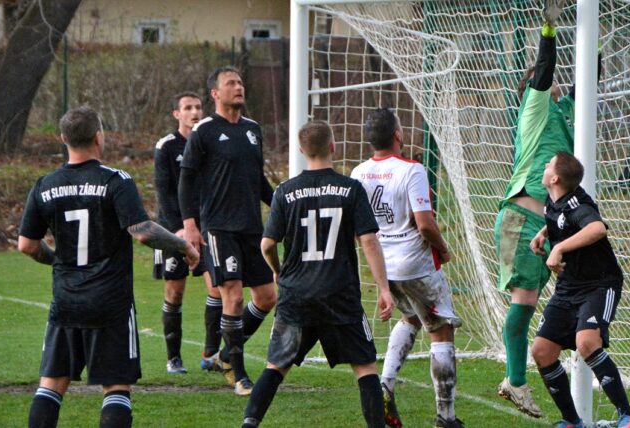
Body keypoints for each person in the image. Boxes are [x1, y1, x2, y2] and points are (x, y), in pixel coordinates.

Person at [18, 106, 200, 428]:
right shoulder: (115, 181)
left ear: (63, 139)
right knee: (116, 388)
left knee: (51, 385)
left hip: (66, 300)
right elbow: (142, 232)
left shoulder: (44, 185)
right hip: (110, 303)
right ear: (99, 137)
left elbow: (27, 246)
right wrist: (183, 245)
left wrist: (58, 260)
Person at [243, 121, 395, 428]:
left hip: (297, 293)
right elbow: (368, 240)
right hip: (340, 294)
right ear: (333, 146)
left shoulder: (284, 192)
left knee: (276, 366)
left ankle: (249, 423)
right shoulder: (351, 189)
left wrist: (277, 271)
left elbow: (267, 244)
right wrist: (384, 288)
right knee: (365, 368)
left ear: (301, 150)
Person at [350, 108, 463, 428]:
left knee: (412, 317)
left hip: (385, 267)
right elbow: (425, 224)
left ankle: (385, 384)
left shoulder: (358, 173)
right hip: (416, 265)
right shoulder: (411, 170)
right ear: (398, 135)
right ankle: (446, 415)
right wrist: (444, 247)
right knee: (442, 331)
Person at [494, 0, 575, 417]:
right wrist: (548, 30)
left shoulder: (565, 114)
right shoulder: (534, 106)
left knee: (544, 300)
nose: (553, 85)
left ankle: (531, 372)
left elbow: (588, 85)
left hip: (549, 223)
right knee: (524, 301)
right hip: (521, 220)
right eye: (544, 83)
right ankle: (516, 379)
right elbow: (544, 71)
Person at [179, 66, 277, 395]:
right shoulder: (204, 131)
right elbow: (187, 179)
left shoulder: (252, 130)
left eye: (240, 81)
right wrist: (191, 225)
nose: (239, 87)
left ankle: (224, 355)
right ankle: (238, 372)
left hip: (252, 227)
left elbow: (258, 180)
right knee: (232, 296)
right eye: (231, 83)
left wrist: (282, 205)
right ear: (215, 94)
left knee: (267, 297)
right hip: (219, 227)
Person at [529, 152, 630, 428]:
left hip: (599, 283)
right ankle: (572, 422)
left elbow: (597, 228)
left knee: (587, 343)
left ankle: (628, 418)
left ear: (555, 178)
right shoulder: (553, 200)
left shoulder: (578, 202)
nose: (544, 166)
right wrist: (544, 233)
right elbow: (560, 218)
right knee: (542, 350)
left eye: (548, 163)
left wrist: (559, 247)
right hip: (568, 286)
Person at [152, 92, 223, 374]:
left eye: (198, 107)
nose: (194, 112)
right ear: (176, 114)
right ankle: (173, 358)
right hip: (172, 230)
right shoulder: (167, 146)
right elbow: (164, 192)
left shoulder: (206, 141)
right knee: (174, 292)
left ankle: (209, 354)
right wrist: (180, 228)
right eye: (188, 108)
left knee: (216, 288)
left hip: (205, 227)